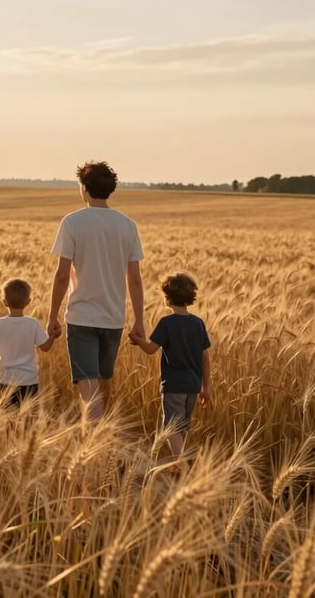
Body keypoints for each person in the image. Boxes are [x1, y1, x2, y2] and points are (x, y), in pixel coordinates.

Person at [47, 161, 145, 421]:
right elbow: (134, 279)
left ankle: (95, 443)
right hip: (113, 319)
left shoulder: (72, 222)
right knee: (103, 383)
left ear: (84, 188)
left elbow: (61, 276)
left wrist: (52, 316)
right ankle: (102, 440)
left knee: (88, 388)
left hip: (81, 317)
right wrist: (139, 321)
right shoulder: (127, 225)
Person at [130, 272, 211, 459]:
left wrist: (137, 339)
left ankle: (182, 465)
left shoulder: (167, 323)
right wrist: (206, 388)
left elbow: (150, 349)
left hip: (174, 385)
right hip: (193, 386)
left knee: (171, 427)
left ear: (167, 297)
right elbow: (205, 358)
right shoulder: (198, 324)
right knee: (181, 427)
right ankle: (179, 465)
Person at [0, 278, 56, 406]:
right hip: (29, 381)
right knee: (28, 419)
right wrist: (53, 336)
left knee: (7, 418)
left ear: (5, 302)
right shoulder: (33, 324)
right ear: (28, 302)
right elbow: (45, 347)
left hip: (6, 381)